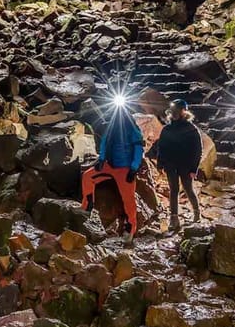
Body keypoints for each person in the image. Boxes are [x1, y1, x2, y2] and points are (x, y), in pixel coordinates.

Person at [81, 110, 144, 238]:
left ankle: (130, 228)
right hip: (110, 165)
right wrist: (101, 159)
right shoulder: (112, 127)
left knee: (129, 199)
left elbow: (138, 149)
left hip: (125, 169)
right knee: (87, 176)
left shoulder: (132, 130)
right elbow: (105, 143)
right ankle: (87, 206)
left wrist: (133, 168)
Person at [147, 98, 203, 231]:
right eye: (173, 111)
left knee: (188, 189)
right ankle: (174, 219)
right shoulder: (167, 129)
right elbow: (162, 147)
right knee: (174, 191)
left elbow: (197, 150)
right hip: (171, 165)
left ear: (184, 112)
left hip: (186, 166)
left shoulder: (191, 129)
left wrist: (194, 168)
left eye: (177, 110)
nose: (175, 113)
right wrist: (160, 164)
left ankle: (196, 213)